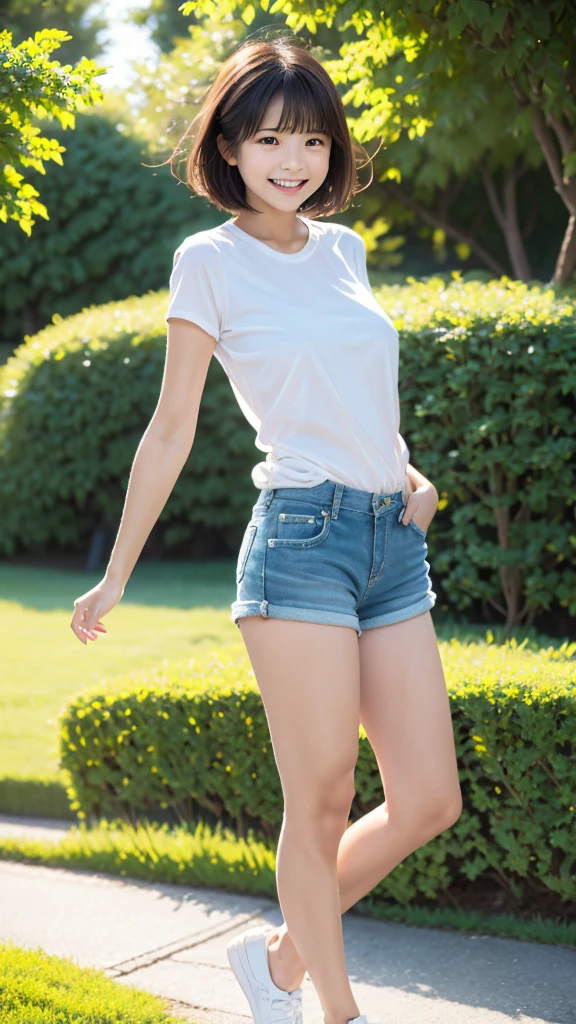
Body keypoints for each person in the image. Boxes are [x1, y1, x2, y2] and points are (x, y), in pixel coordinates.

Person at [71, 35, 463, 1024]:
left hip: (389, 542)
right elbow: (172, 429)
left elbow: (352, 386)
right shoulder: (208, 263)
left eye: (311, 140)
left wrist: (411, 477)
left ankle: (284, 960)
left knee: (428, 800)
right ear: (232, 150)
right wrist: (115, 574)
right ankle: (336, 1011)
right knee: (322, 795)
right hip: (299, 544)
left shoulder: (345, 249)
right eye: (269, 139)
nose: (293, 160)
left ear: (331, 150)